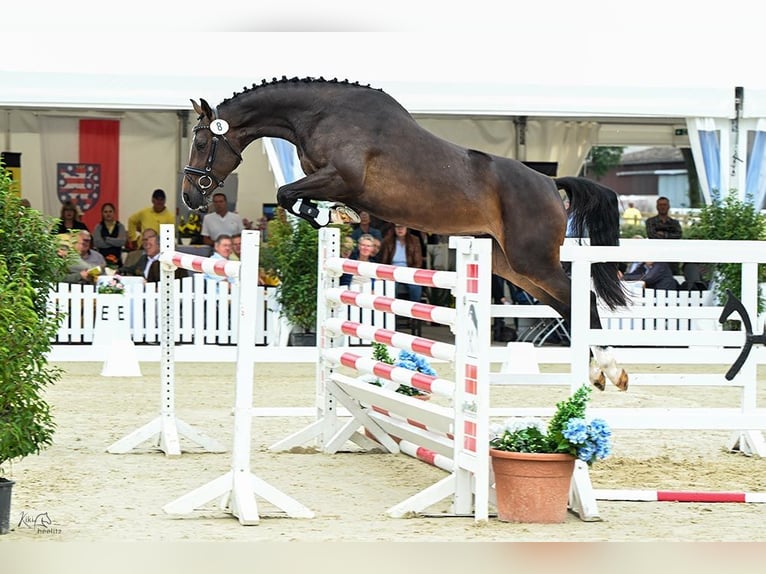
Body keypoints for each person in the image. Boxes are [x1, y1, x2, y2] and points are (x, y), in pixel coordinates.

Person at [378, 224, 423, 302]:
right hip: (392, 271)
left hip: (409, 271)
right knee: (391, 287)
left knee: (415, 287)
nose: (400, 229)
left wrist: (410, 272)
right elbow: (384, 260)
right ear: (394, 229)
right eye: (397, 227)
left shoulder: (414, 240)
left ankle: (413, 310)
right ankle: (391, 310)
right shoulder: (387, 241)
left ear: (407, 228)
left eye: (402, 227)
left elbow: (418, 262)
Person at [645, 196, 683, 274]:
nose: (662, 207)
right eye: (660, 205)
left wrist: (663, 234)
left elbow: (678, 235)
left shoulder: (675, 223)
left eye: (664, 205)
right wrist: (669, 235)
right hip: (656, 254)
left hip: (672, 255)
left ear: (668, 206)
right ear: (657, 206)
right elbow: (651, 235)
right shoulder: (650, 221)